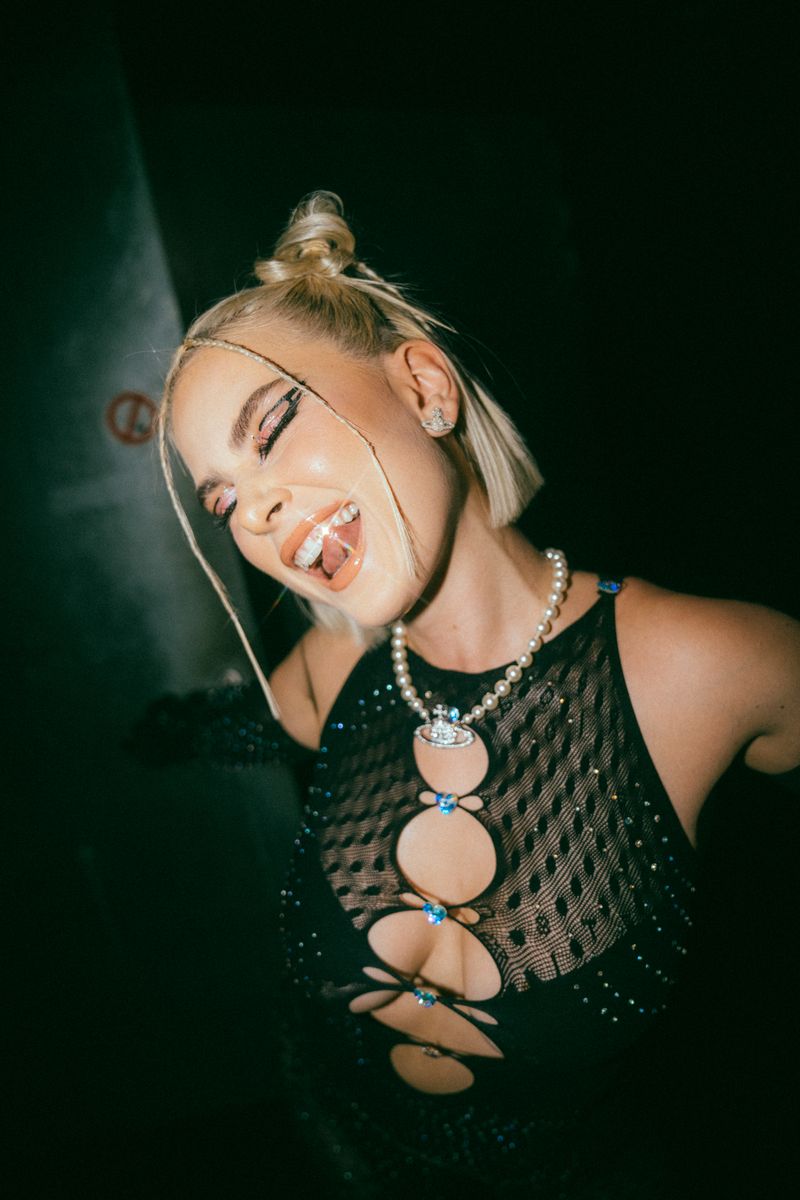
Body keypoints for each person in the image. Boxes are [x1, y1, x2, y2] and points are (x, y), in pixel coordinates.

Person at [143, 191, 800, 1197]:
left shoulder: (707, 666)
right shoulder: (333, 670)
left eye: (271, 427)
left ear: (423, 388)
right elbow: (231, 725)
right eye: (223, 497)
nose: (255, 510)